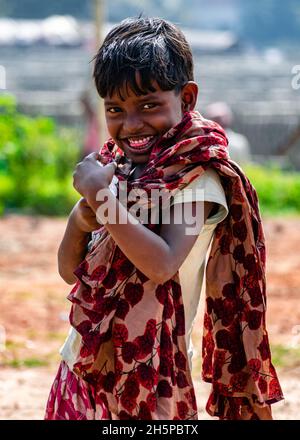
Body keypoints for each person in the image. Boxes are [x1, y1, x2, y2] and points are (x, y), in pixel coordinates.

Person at [44, 17, 283, 420]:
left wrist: (102, 198)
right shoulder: (118, 170)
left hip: (151, 377)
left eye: (149, 105)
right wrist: (81, 218)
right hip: (84, 364)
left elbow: (163, 263)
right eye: (115, 109)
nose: (131, 124)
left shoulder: (197, 180)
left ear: (187, 99)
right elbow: (71, 272)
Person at [205, 102, 252, 166]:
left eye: (221, 117)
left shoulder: (239, 141)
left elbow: (245, 166)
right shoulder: (202, 140)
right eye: (216, 118)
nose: (219, 120)